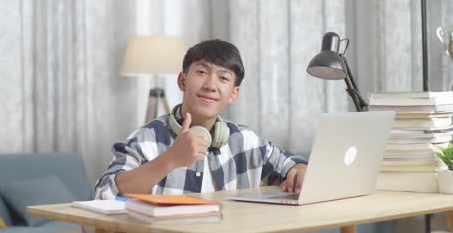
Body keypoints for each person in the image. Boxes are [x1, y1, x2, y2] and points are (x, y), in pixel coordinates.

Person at [94, 39, 307, 199]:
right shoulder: (147, 138)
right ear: (182, 80)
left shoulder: (246, 140)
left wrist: (299, 172)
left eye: (223, 78)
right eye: (202, 72)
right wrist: (171, 159)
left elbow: (293, 166)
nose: (211, 85)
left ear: (233, 93)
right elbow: (104, 193)